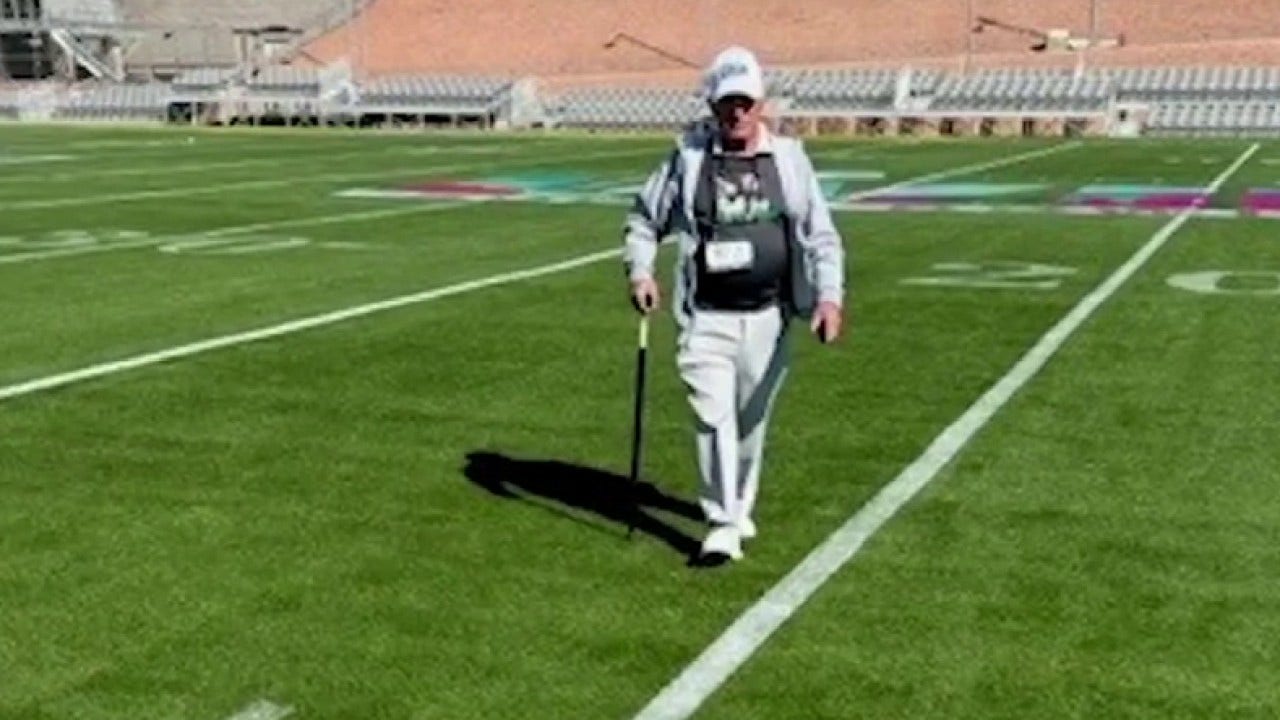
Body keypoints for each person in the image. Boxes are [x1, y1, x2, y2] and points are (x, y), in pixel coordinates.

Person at [621, 45, 848, 563]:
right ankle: (720, 521)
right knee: (710, 415)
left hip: (769, 316)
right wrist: (640, 271)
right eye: (727, 103)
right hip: (707, 317)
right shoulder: (688, 158)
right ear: (712, 106)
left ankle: (739, 504)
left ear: (761, 102)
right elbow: (643, 219)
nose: (737, 112)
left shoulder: (788, 160)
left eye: (745, 101)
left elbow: (820, 234)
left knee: (749, 423)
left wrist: (829, 298)